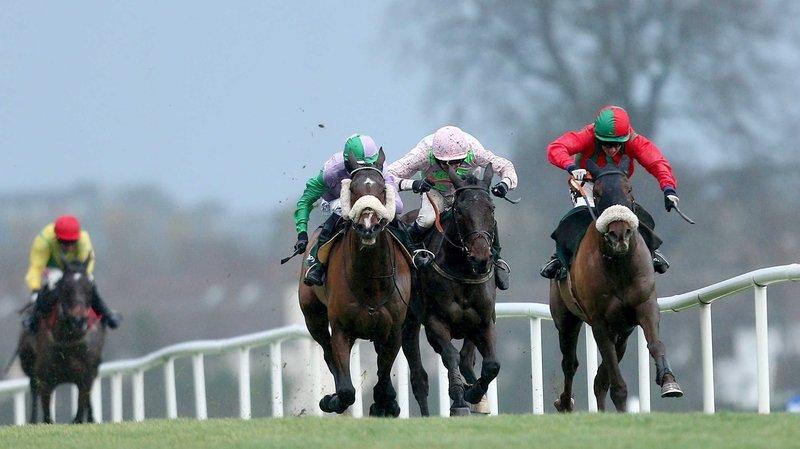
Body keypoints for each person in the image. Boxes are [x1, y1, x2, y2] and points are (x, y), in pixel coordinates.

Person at [539, 105, 680, 279]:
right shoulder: (587, 135)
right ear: (597, 137)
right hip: (587, 182)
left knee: (634, 215)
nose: (613, 149)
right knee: (582, 213)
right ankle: (559, 258)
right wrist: (571, 167)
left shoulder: (634, 140)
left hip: (617, 185)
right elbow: (556, 148)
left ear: (625, 138)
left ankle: (652, 250)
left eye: (618, 144)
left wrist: (669, 189)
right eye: (607, 144)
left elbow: (657, 162)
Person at [387, 125, 518, 290]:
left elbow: (506, 166)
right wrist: (413, 183)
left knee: (482, 216)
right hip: (435, 190)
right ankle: (412, 253)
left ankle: (497, 260)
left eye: (456, 162)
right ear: (434, 156)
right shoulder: (422, 154)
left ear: (465, 155)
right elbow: (388, 176)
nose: (451, 166)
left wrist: (505, 184)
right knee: (427, 219)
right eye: (444, 163)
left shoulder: (475, 151)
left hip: (465, 192)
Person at [294, 133, 408, 286]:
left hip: (369, 201)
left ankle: (414, 254)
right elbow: (306, 201)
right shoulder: (332, 171)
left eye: (370, 166)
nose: (365, 171)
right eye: (359, 167)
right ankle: (317, 266)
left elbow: (398, 206)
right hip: (334, 201)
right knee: (342, 209)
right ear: (348, 163)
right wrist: (302, 233)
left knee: (393, 217)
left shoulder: (380, 167)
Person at [23, 215, 121, 332]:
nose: (69, 247)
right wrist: (35, 288)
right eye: (64, 242)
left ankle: (107, 314)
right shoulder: (43, 241)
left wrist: (82, 276)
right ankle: (33, 317)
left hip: (77, 267)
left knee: (89, 281)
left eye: (72, 242)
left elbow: (88, 262)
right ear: (56, 238)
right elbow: (35, 267)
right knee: (53, 284)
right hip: (54, 267)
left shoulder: (83, 239)